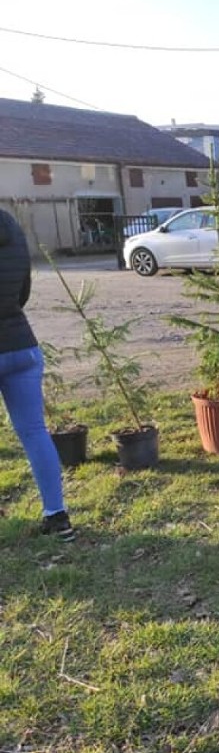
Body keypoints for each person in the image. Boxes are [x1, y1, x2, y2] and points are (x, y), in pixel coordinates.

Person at [0, 209, 75, 541]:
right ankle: (57, 515)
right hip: (22, 346)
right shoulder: (11, 225)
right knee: (35, 433)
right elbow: (23, 290)